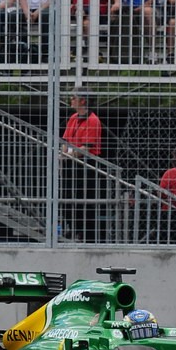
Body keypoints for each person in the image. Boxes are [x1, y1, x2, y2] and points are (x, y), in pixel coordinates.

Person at [60, 89, 101, 239]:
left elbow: (87, 147)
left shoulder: (93, 120)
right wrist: (63, 153)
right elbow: (65, 140)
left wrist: (68, 155)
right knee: (67, 197)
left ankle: (84, 232)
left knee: (83, 198)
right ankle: (72, 227)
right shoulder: (73, 118)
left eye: (74, 98)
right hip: (70, 162)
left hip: (84, 164)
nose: (71, 100)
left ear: (83, 101)